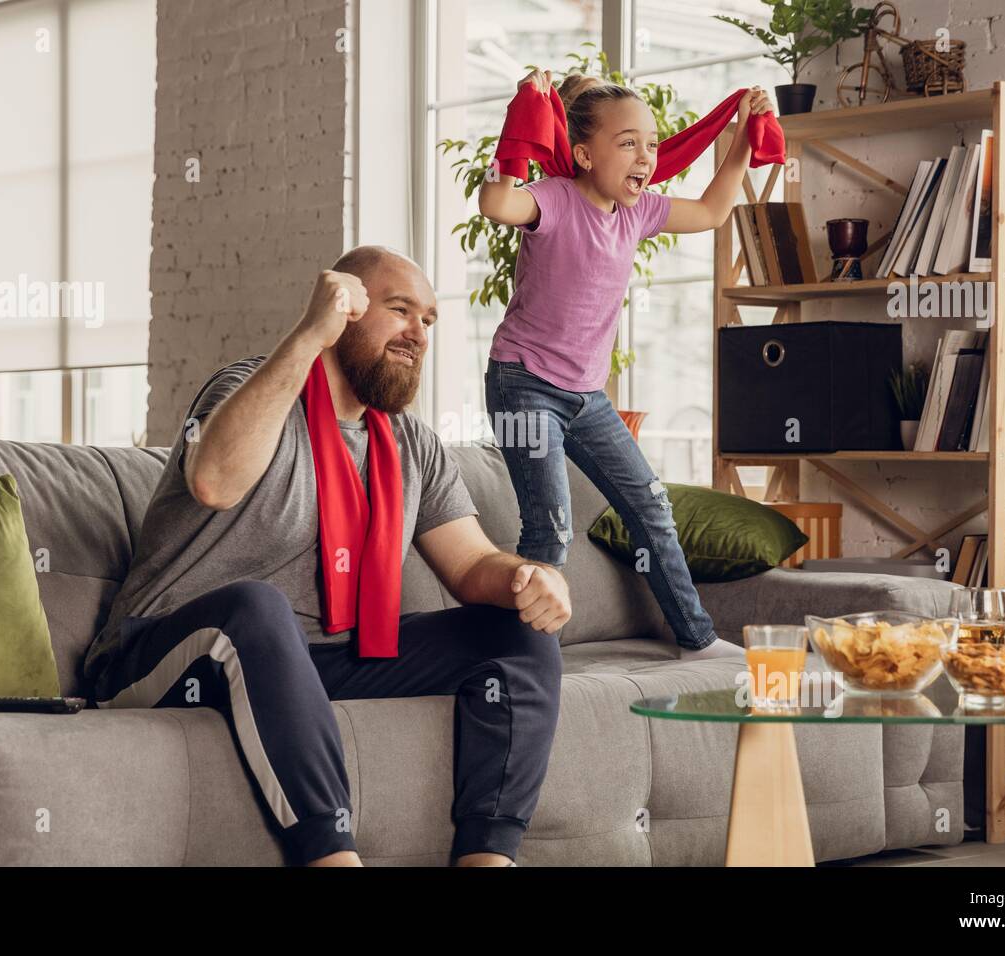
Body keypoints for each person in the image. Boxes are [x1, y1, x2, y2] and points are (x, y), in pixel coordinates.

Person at [82, 245, 571, 867]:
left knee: (517, 635)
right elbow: (214, 481)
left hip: (315, 661)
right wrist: (309, 335)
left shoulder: (411, 442)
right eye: (399, 310)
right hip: (157, 653)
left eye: (428, 320)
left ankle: (487, 860)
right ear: (346, 310)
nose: (418, 333)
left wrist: (529, 577)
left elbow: (474, 566)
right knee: (259, 608)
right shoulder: (248, 389)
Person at [478, 69, 773, 658]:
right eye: (628, 142)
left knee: (651, 505)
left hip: (585, 397)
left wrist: (742, 139)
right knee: (550, 528)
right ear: (583, 154)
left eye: (652, 144)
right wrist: (519, 125)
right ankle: (531, 662)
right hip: (524, 385)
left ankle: (696, 637)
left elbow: (714, 211)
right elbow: (496, 202)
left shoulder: (637, 213)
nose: (646, 156)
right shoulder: (555, 200)